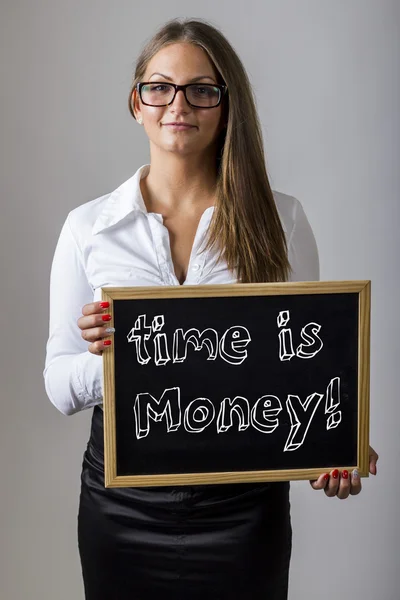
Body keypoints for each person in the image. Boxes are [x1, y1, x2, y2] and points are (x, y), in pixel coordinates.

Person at [43, 17, 378, 600]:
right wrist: (116, 361)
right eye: (160, 87)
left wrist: (336, 443)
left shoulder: (282, 219)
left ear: (227, 105)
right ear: (136, 103)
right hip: (120, 507)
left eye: (202, 89)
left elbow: (304, 370)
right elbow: (57, 382)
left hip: (244, 510)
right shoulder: (88, 228)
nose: (179, 104)